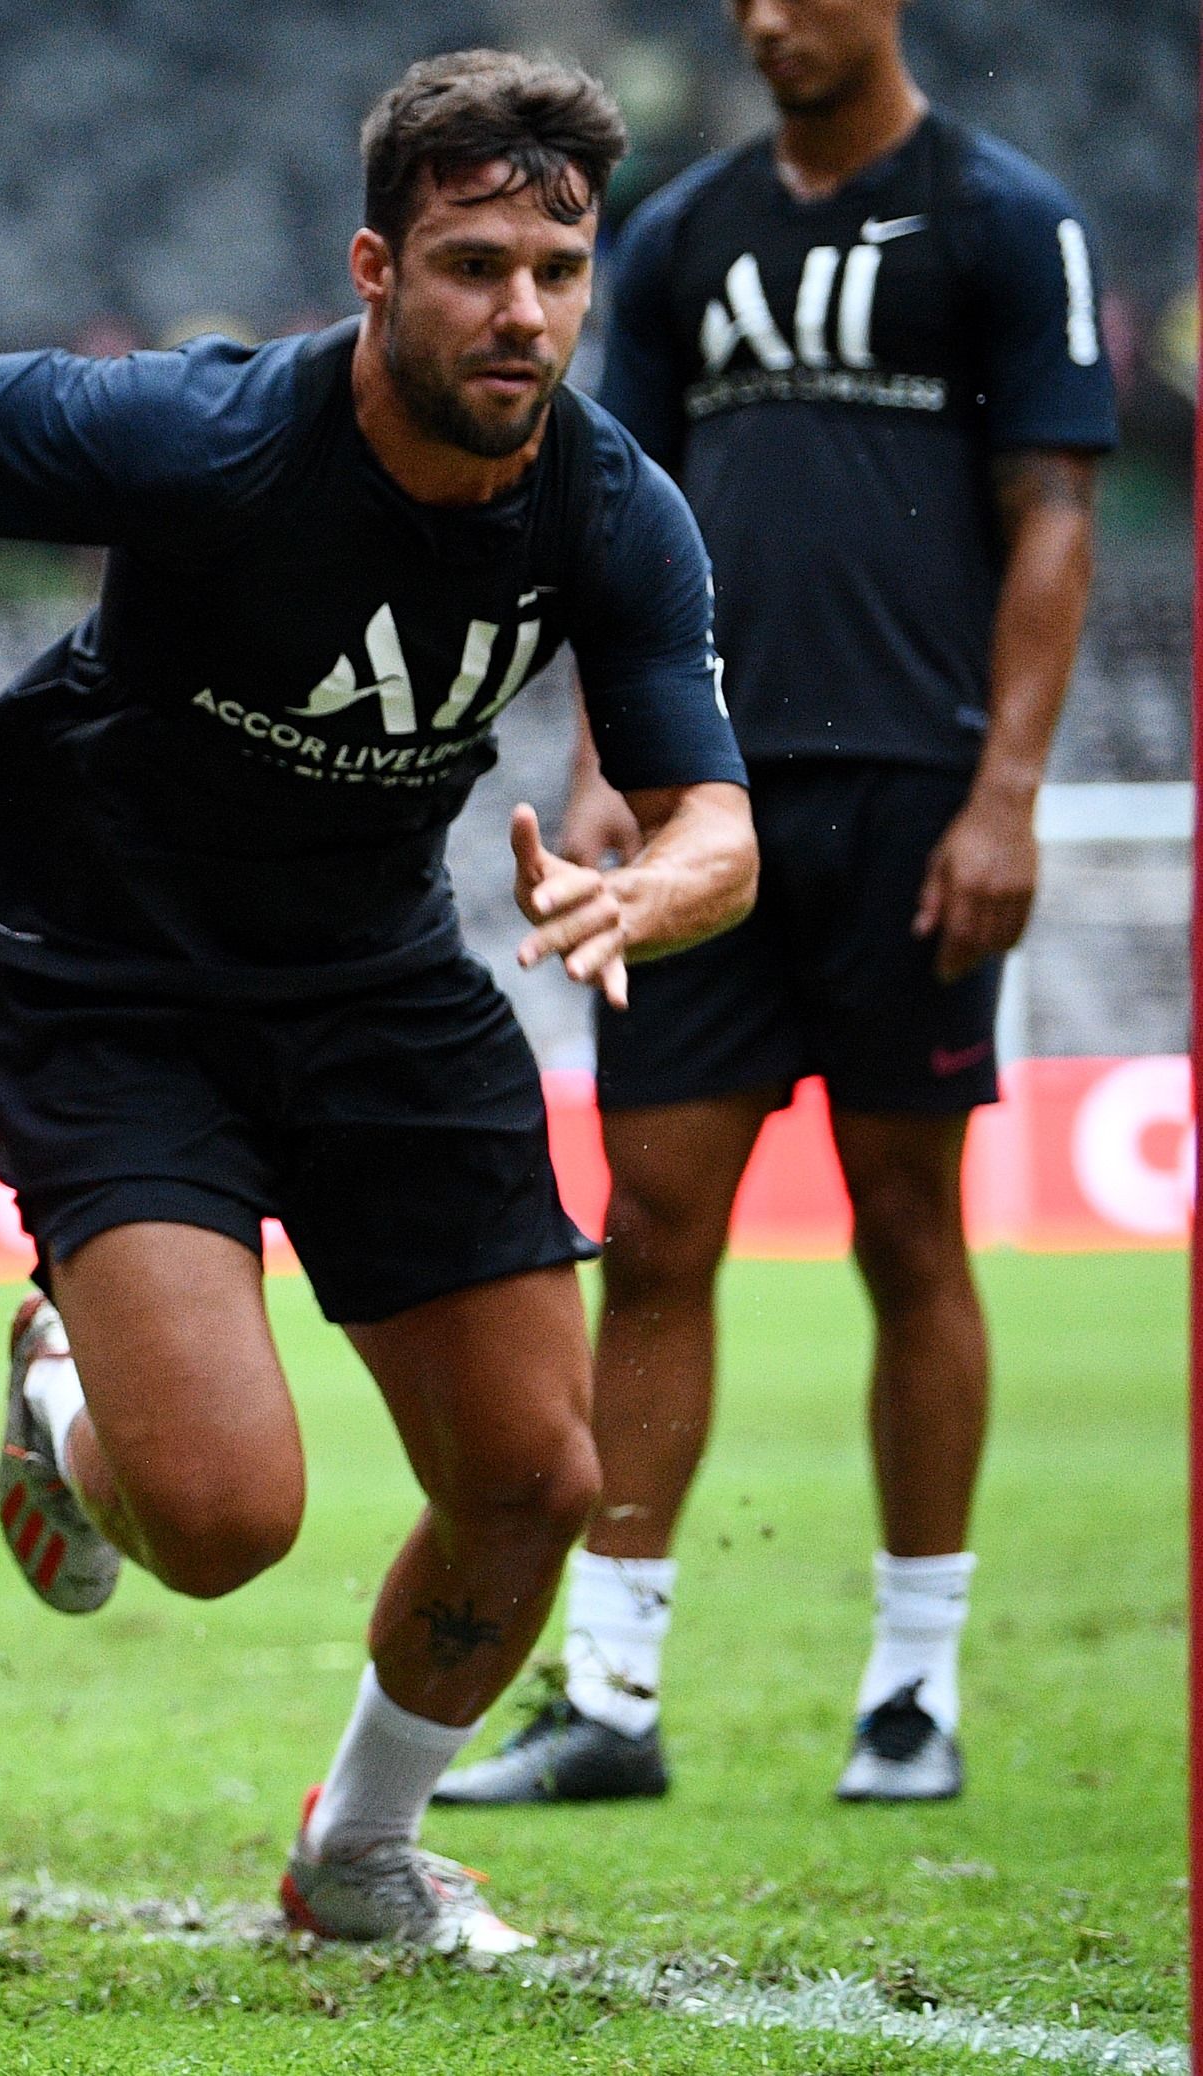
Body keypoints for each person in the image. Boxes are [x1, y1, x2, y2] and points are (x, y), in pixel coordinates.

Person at [0, 51, 754, 1953]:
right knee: (217, 1527)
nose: (520, 311)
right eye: (472, 263)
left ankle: (358, 1853)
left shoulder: (612, 509)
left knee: (538, 1478)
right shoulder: (201, 436)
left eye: (556, 266)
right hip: (117, 987)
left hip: (381, 988)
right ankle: (61, 1379)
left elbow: (723, 826)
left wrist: (650, 888)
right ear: (373, 268)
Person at [435, 0, 1112, 1812]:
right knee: (650, 1231)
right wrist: (597, 769)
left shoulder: (1004, 218)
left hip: (913, 792)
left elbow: (1053, 510)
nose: (762, 20)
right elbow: (601, 513)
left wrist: (1005, 795)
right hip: (695, 801)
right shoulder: (679, 236)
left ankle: (909, 1691)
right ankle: (613, 1695)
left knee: (909, 1233)